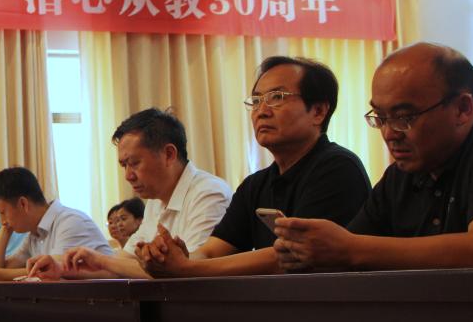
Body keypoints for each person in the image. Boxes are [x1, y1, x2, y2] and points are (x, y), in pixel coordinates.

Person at [139, 56, 371, 278]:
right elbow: (212, 252)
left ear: (318, 111)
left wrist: (187, 269)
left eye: (277, 97)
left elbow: (290, 257)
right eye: (257, 101)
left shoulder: (339, 169)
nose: (262, 111)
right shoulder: (255, 185)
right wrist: (175, 257)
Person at [274, 42, 473, 271]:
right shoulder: (400, 176)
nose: (389, 134)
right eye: (380, 117)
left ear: (462, 109)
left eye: (404, 117)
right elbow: (347, 252)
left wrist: (351, 250)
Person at [35, 108, 232, 280]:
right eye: (124, 166)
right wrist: (63, 269)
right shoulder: (156, 202)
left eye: (134, 163)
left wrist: (101, 260)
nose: (128, 176)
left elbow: (188, 269)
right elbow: (125, 262)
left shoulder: (209, 193)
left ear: (169, 154)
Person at [0, 166, 113, 281]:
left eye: (2, 212)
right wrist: (6, 230)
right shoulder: (34, 235)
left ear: (23, 204)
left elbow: (50, 272)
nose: (2, 220)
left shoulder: (70, 222)